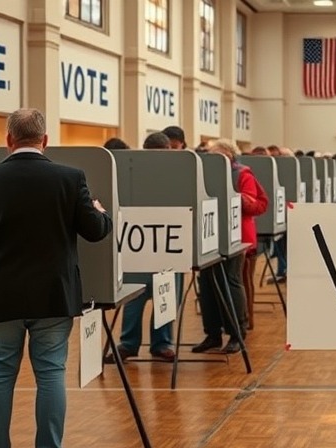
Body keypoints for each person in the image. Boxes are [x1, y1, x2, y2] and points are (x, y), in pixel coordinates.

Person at [0, 108, 112, 448]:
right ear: (44, 141)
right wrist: (99, 212)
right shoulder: (70, 178)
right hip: (53, 295)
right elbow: (95, 232)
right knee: (51, 373)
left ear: (9, 140)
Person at [105, 132, 183, 363]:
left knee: (149, 296)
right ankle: (155, 344)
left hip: (144, 242)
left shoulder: (133, 169)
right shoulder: (174, 171)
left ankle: (135, 344)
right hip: (158, 242)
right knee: (153, 296)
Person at [193, 140, 267, 353]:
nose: (214, 158)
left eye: (219, 154)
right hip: (208, 236)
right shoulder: (203, 173)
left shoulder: (243, 175)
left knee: (231, 283)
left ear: (230, 155)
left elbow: (256, 204)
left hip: (236, 237)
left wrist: (238, 199)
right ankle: (212, 334)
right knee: (206, 285)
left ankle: (237, 333)